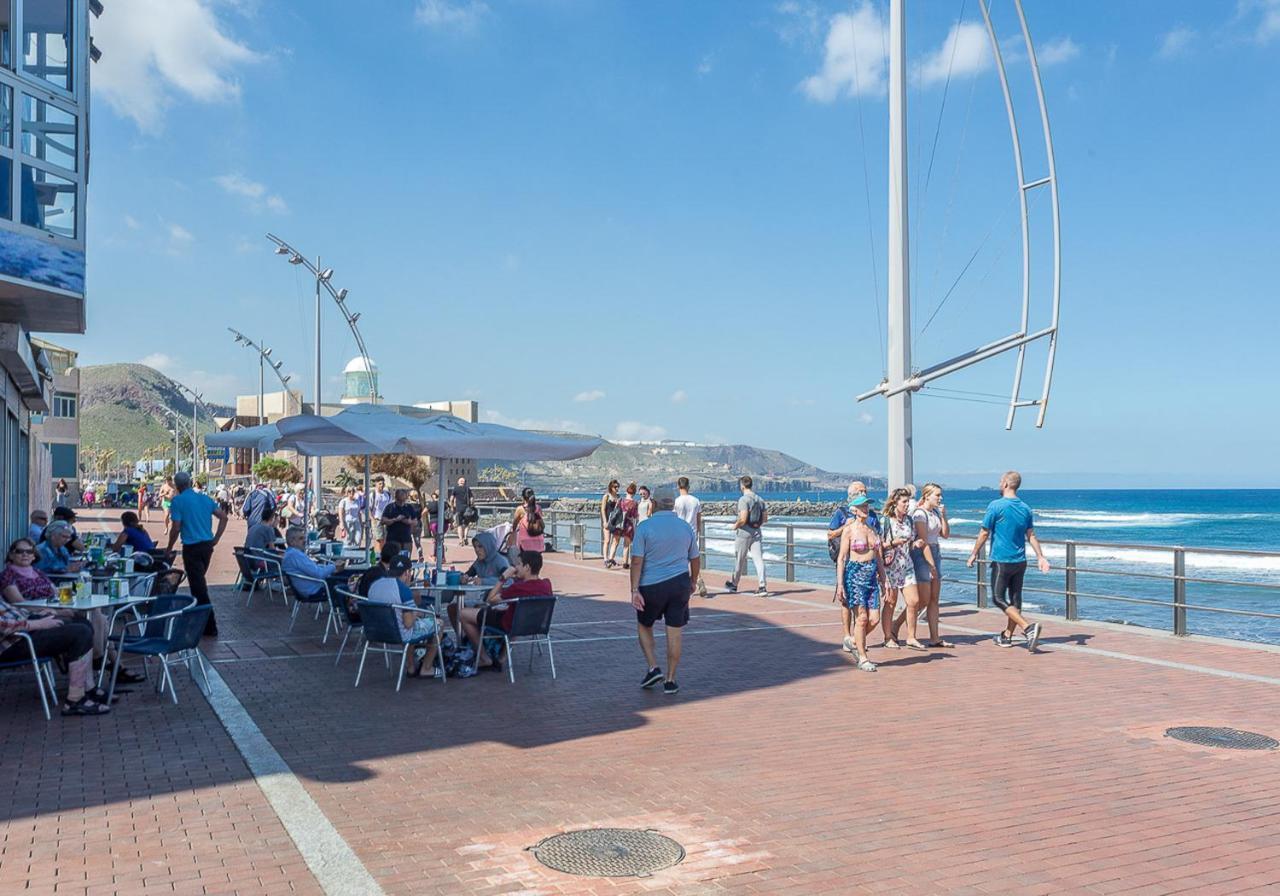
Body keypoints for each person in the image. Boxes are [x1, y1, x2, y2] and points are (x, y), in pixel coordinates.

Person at [966, 470, 1050, 651]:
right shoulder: (1025, 508)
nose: (998, 484)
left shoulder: (996, 506)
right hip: (1020, 561)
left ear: (1005, 484)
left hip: (1002, 561)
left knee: (997, 598)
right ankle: (1007, 636)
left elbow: (984, 532)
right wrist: (1040, 556)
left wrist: (973, 553)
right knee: (1015, 599)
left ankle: (1028, 627)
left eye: (999, 482)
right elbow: (1031, 535)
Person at [630, 485, 699, 695]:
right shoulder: (685, 527)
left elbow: (636, 561)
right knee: (675, 631)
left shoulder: (644, 527)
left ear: (654, 504)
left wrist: (634, 589)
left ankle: (653, 667)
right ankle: (671, 679)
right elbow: (695, 558)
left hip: (651, 584)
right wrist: (693, 581)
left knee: (644, 624)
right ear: (673, 505)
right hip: (679, 584)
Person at [1, 592, 108, 715]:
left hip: (26, 628)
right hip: (13, 642)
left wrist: (38, 615)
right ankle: (74, 700)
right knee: (81, 633)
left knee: (83, 623)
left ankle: (88, 687)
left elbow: (12, 613)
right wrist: (38, 624)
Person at [457, 550, 552, 673]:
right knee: (519, 616)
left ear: (527, 567)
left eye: (518, 564)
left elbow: (490, 599)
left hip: (508, 624)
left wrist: (503, 578)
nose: (515, 567)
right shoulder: (546, 585)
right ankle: (502, 658)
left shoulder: (518, 588)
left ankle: (484, 658)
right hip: (534, 625)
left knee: (463, 614)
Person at [165, 470, 228, 638]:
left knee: (198, 588)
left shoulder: (177, 501)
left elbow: (176, 527)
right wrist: (216, 539)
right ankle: (198, 620)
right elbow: (223, 517)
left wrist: (170, 546)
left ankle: (209, 626)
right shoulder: (205, 498)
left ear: (177, 486)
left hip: (192, 547)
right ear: (191, 482)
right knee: (198, 584)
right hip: (207, 546)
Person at [835, 494, 887, 672]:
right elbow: (842, 558)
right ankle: (863, 657)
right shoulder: (849, 530)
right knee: (862, 618)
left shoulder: (872, 529)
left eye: (867, 506)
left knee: (874, 619)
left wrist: (884, 579)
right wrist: (840, 584)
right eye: (862, 506)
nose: (866, 509)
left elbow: (879, 558)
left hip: (872, 577)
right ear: (854, 510)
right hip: (855, 575)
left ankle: (855, 642)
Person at [367, 557, 442, 678]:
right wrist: (417, 613)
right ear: (407, 573)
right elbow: (408, 624)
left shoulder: (375, 585)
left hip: (376, 632)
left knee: (405, 624)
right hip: (399, 634)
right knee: (439, 623)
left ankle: (411, 667)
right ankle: (426, 668)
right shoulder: (403, 590)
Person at [906, 483, 953, 649]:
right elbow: (924, 541)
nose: (940, 498)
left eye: (940, 495)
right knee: (923, 599)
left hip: (935, 551)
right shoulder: (920, 514)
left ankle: (935, 637)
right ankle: (901, 628)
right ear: (926, 496)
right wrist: (931, 565)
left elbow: (946, 534)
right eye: (937, 495)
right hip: (922, 554)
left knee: (934, 599)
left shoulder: (934, 512)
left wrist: (943, 516)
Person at [881, 489, 926, 650]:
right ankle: (888, 637)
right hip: (890, 567)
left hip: (906, 565)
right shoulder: (886, 521)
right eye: (904, 502)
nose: (907, 505)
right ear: (895, 503)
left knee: (914, 601)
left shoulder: (908, 521)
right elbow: (878, 545)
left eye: (908, 502)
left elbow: (911, 540)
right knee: (890, 603)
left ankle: (911, 637)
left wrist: (916, 544)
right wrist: (893, 543)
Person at [725, 476, 768, 595]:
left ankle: (734, 584)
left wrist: (735, 526)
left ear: (742, 486)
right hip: (757, 532)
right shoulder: (760, 499)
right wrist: (755, 524)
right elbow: (765, 519)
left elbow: (743, 519)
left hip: (744, 533)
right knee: (759, 560)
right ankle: (762, 586)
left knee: (739, 560)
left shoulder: (743, 500)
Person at [280, 527, 348, 600]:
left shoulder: (290, 554)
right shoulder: (295, 555)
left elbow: (314, 570)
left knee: (346, 576)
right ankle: (350, 608)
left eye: (304, 538)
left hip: (308, 589)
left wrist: (331, 568)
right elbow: (319, 574)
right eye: (301, 538)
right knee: (351, 581)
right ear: (292, 542)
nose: (305, 541)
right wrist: (334, 565)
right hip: (316, 590)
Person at [673, 477, 708, 598]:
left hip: (679, 534)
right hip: (692, 534)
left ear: (678, 486)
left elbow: (674, 519)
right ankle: (698, 579)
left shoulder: (676, 501)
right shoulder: (696, 501)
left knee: (680, 561)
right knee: (693, 560)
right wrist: (697, 532)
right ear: (688, 486)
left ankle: (682, 586)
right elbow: (698, 520)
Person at [1, 538, 57, 602]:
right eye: (19, 551)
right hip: (28, 611)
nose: (25, 554)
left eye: (29, 552)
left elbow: (55, 593)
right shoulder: (7, 576)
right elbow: (20, 604)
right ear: (11, 555)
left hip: (51, 606)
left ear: (33, 556)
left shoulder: (38, 572)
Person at [381, 489, 416, 556]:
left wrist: (409, 522)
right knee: (393, 560)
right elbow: (383, 521)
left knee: (405, 561)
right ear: (396, 496)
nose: (404, 497)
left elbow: (415, 522)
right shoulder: (390, 507)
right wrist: (395, 520)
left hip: (406, 539)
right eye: (401, 495)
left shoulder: (409, 507)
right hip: (393, 539)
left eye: (405, 495)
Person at [512, 487, 545, 557]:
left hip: (525, 542)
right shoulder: (538, 508)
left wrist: (513, 531)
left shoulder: (520, 509)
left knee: (525, 564)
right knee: (536, 564)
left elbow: (514, 524)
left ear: (523, 498)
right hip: (538, 541)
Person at [601, 480, 622, 568]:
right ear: (611, 487)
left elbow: (619, 510)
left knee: (616, 540)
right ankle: (605, 559)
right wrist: (605, 521)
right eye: (615, 487)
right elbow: (602, 509)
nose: (617, 489)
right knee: (607, 540)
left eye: (618, 487)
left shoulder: (619, 497)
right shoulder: (606, 496)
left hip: (616, 522)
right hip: (608, 521)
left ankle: (611, 558)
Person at [450, 476, 475, 547]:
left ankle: (461, 540)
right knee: (467, 525)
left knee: (459, 525)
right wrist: (471, 506)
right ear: (465, 483)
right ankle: (466, 538)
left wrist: (452, 507)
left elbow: (451, 499)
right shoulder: (468, 489)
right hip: (467, 509)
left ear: (458, 482)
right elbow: (472, 499)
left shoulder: (455, 489)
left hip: (458, 509)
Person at [369, 479, 393, 548]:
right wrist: (372, 519)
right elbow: (368, 508)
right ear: (376, 484)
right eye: (379, 484)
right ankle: (378, 556)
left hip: (386, 520)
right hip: (377, 520)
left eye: (382, 484)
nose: (381, 485)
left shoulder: (387, 495)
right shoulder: (373, 495)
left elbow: (390, 506)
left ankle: (384, 555)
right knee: (378, 539)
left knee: (385, 539)